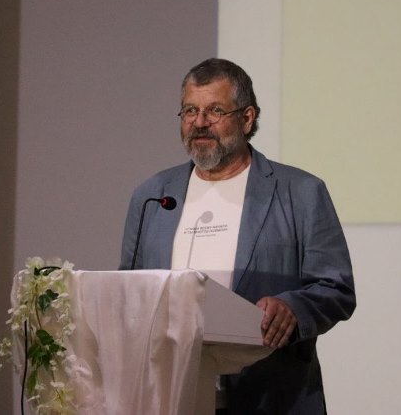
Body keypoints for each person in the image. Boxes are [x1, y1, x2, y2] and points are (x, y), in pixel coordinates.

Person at [120, 58, 355, 414]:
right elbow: (128, 290)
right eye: (190, 110)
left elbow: (336, 287)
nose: (200, 122)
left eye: (215, 110)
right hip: (172, 395)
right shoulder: (153, 196)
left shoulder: (301, 192)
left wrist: (294, 308)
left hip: (270, 396)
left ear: (247, 119)